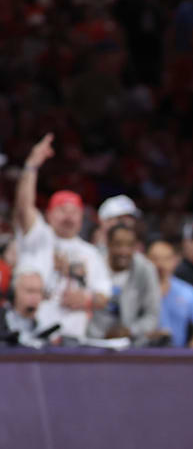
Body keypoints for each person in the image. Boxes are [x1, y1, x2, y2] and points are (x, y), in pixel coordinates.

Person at [13, 134, 112, 341]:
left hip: (73, 341)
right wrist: (31, 166)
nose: (68, 216)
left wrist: (85, 299)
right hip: (33, 336)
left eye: (73, 211)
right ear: (48, 214)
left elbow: (104, 295)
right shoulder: (38, 237)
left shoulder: (90, 253)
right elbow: (24, 207)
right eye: (61, 210)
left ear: (81, 218)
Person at [88, 225, 161, 344]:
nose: (124, 251)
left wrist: (130, 330)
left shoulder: (145, 269)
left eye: (129, 245)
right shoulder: (93, 261)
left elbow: (152, 316)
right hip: (91, 340)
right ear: (108, 243)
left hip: (131, 345)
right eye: (118, 244)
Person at [147, 240, 193, 348]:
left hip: (177, 356)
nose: (160, 264)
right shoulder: (136, 291)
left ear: (175, 261)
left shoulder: (188, 292)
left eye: (166, 258)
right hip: (140, 354)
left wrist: (190, 353)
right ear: (146, 261)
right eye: (155, 259)